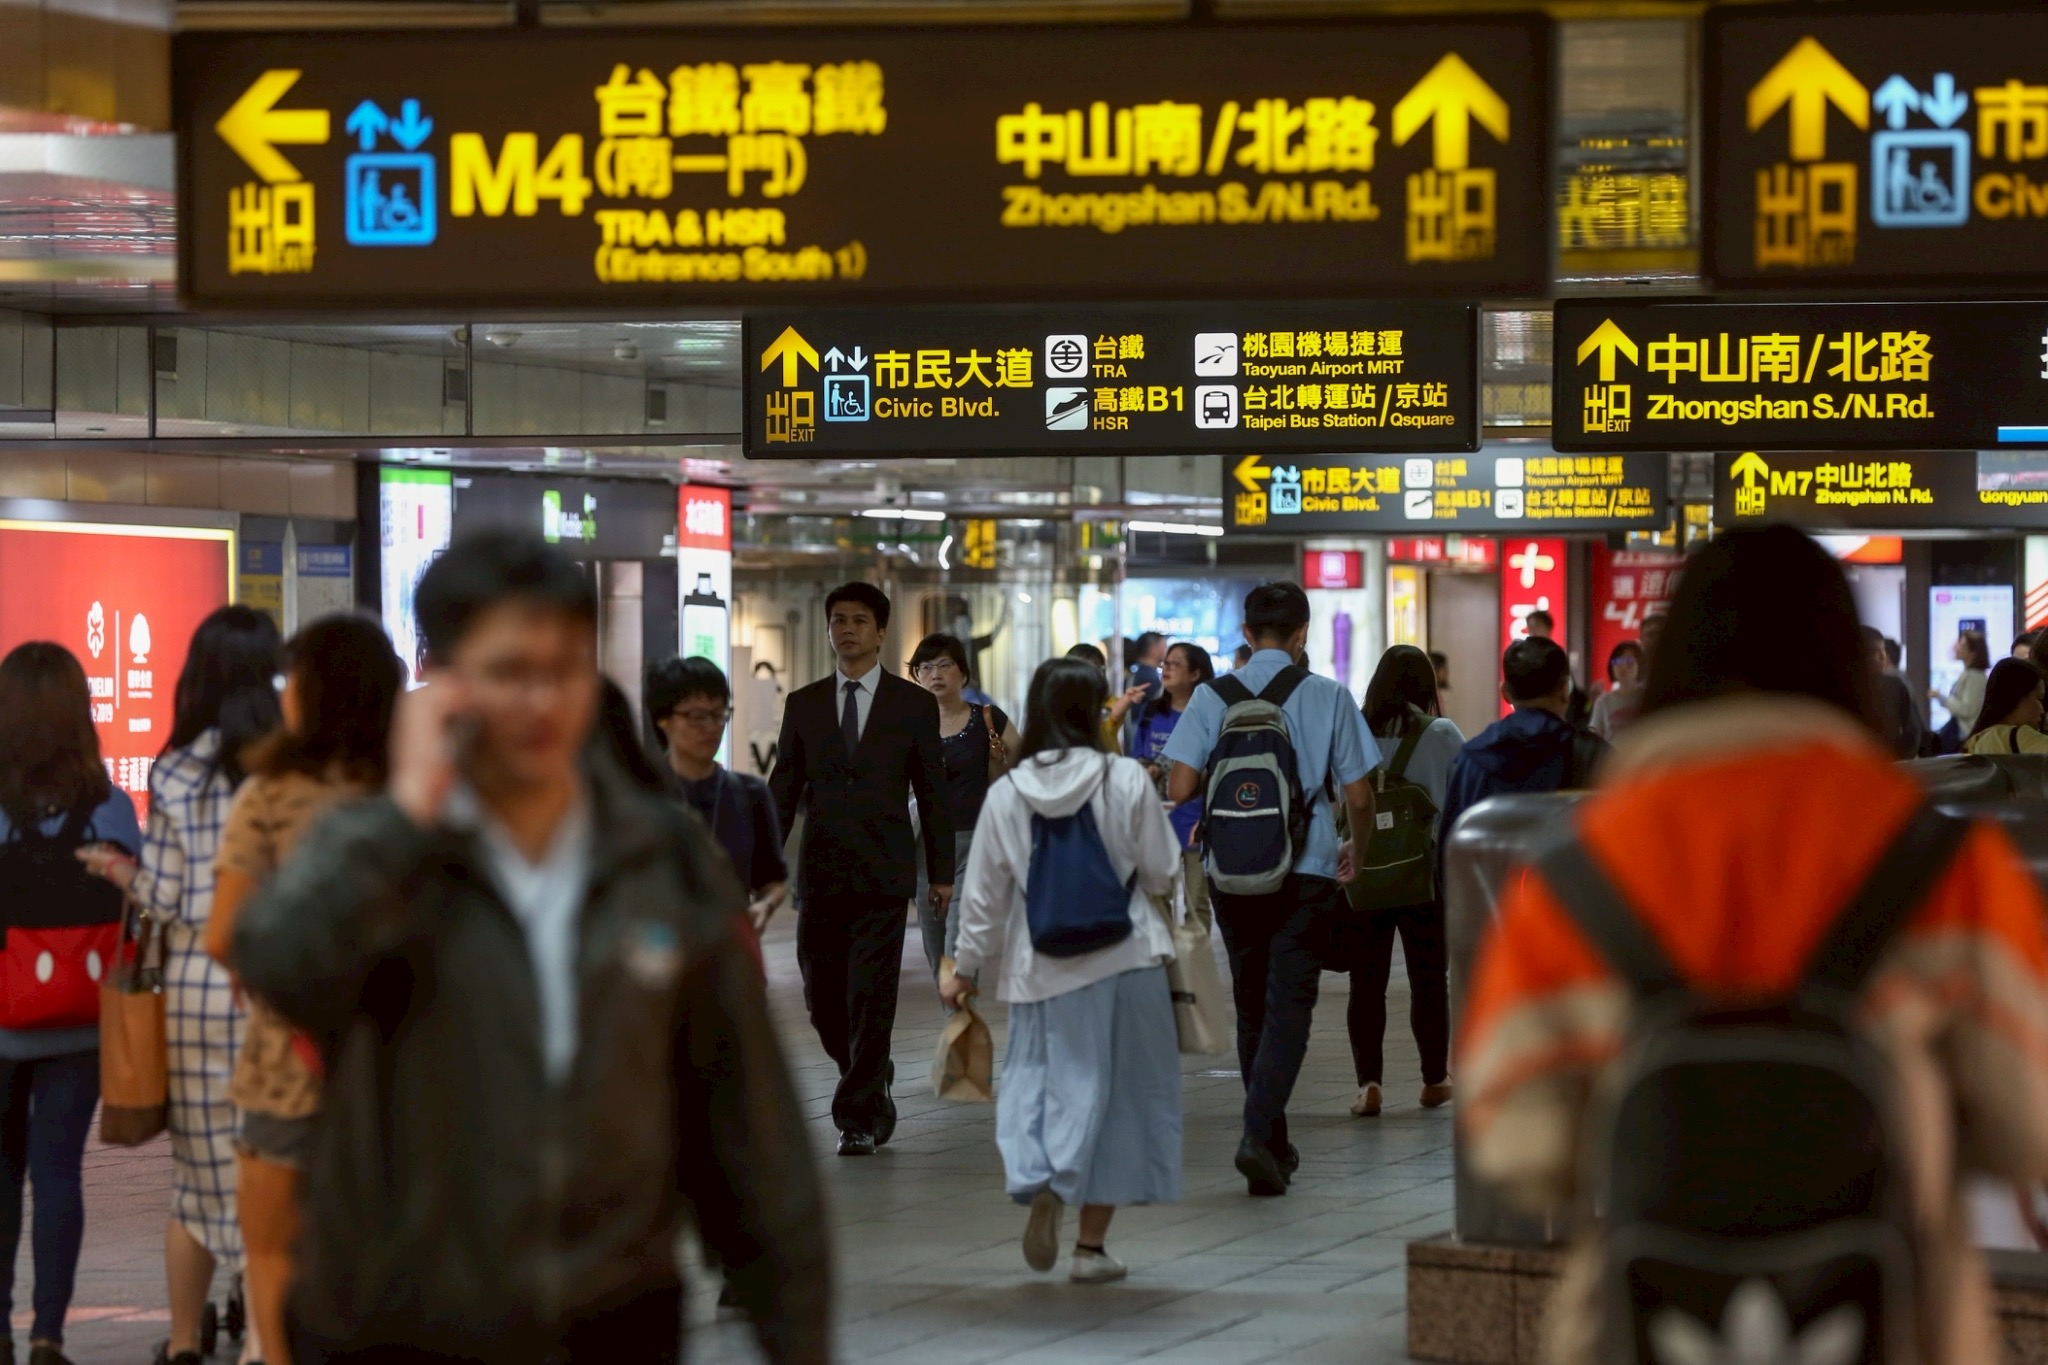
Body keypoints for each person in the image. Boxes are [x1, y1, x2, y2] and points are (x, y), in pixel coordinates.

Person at [233, 529, 827, 1364]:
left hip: (613, 1314)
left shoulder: (657, 857)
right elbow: (279, 962)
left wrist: (796, 1329)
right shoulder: (384, 848)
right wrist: (406, 814)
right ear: (445, 680)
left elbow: (750, 1129)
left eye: (563, 670)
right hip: (404, 1319)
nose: (541, 702)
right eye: (510, 672)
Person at [1459, 525, 2048, 1363]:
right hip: (1897, 1326)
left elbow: (1512, 1141)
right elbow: (2028, 1128)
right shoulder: (1950, 864)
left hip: (1644, 1327)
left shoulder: (1575, 874)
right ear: (1846, 662)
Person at [942, 657, 1182, 1284]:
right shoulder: (1125, 779)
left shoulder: (1007, 792)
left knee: (1037, 1078)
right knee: (1120, 1100)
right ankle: (1091, 1250)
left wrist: (964, 967)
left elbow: (983, 899)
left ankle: (1040, 1174)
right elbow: (1162, 872)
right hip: (1124, 958)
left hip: (1037, 966)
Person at [201, 615, 403, 1365]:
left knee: (276, 1254)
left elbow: (226, 931)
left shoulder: (273, 794)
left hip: (289, 1061)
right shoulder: (423, 793)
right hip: (407, 1065)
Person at [82, 605, 281, 1365]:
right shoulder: (288, 761)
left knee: (197, 1179)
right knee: (273, 1164)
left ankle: (184, 1340)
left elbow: (161, 896)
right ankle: (266, 1337)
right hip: (275, 982)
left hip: (198, 986)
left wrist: (117, 869)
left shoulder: (173, 768)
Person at [1163, 582, 1377, 1197]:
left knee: (1252, 1001)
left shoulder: (1211, 696)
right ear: (1303, 633)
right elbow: (1359, 795)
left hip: (1232, 869)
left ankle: (1273, 1143)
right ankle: (1259, 1134)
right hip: (1306, 869)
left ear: (1248, 636)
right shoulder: (1328, 695)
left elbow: (1179, 788)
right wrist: (1355, 851)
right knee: (1290, 1006)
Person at [770, 582, 952, 1157]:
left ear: (879, 632)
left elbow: (934, 792)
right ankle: (872, 1071)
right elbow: (783, 789)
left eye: (857, 621)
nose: (846, 629)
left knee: (871, 995)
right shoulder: (804, 703)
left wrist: (940, 873)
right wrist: (760, 865)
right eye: (837, 621)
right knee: (823, 1001)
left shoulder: (913, 704)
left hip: (884, 870)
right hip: (820, 870)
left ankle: (857, 1117)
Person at [0, 644, 140, 1365]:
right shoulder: (108, 805)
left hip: (1, 1016)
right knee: (58, 1171)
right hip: (82, 1021)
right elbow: (136, 908)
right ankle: (49, 1331)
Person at [1345, 645, 1464, 1119]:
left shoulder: (1353, 729)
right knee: (1429, 980)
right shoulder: (1443, 733)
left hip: (1365, 868)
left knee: (1366, 982)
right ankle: (1434, 1079)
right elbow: (1459, 799)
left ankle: (1368, 1085)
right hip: (1424, 873)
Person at [906, 633, 1019, 982]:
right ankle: (957, 1019)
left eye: (944, 665)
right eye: (925, 667)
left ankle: (959, 1022)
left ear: (963, 673)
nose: (935, 673)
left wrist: (1001, 763)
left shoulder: (987, 719)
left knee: (958, 939)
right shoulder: (907, 726)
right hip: (924, 845)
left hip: (975, 841)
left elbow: (1024, 771)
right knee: (934, 942)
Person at [644, 657, 787, 931]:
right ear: (664, 720)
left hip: (728, 953)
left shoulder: (751, 793)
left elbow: (772, 880)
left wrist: (764, 905)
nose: (711, 727)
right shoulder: (638, 792)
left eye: (719, 713)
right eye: (697, 717)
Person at [1435, 637, 1610, 858]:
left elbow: (1448, 857)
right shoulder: (1594, 756)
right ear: (1565, 690)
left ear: (1506, 692)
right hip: (1570, 891)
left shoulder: (1472, 760)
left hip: (1489, 891)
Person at [1129, 642, 1213, 919]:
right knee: (1156, 901)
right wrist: (1149, 769)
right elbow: (1137, 756)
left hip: (1193, 821)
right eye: (1165, 663)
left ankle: (1196, 961)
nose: (1166, 669)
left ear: (1195, 674)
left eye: (1175, 664)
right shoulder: (1152, 712)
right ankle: (1164, 960)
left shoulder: (1206, 716)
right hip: (1155, 820)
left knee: (1197, 903)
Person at [1863, 625, 1927, 760]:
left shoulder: (1895, 685)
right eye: (1875, 651)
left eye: (1884, 650)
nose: (1883, 656)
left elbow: (1913, 732)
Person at [1965, 657, 2048, 754]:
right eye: (2039, 699)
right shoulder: (2021, 736)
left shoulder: (1974, 742)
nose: (2042, 710)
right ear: (2017, 696)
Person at [1931, 629, 1991, 739]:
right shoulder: (1969, 674)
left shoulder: (1975, 677)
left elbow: (1967, 709)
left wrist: (1941, 697)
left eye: (1962, 645)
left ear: (1973, 653)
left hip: (1964, 733)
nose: (1957, 648)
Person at [1587, 640, 1645, 742]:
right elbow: (1593, 736)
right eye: (1618, 662)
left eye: (1629, 661)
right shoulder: (1603, 702)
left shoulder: (1647, 697)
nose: (1623, 667)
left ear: (1640, 665)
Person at [1127, 631, 1166, 703]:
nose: (1166, 650)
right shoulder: (1151, 679)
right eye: (1164, 646)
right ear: (1153, 650)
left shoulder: (1136, 672)